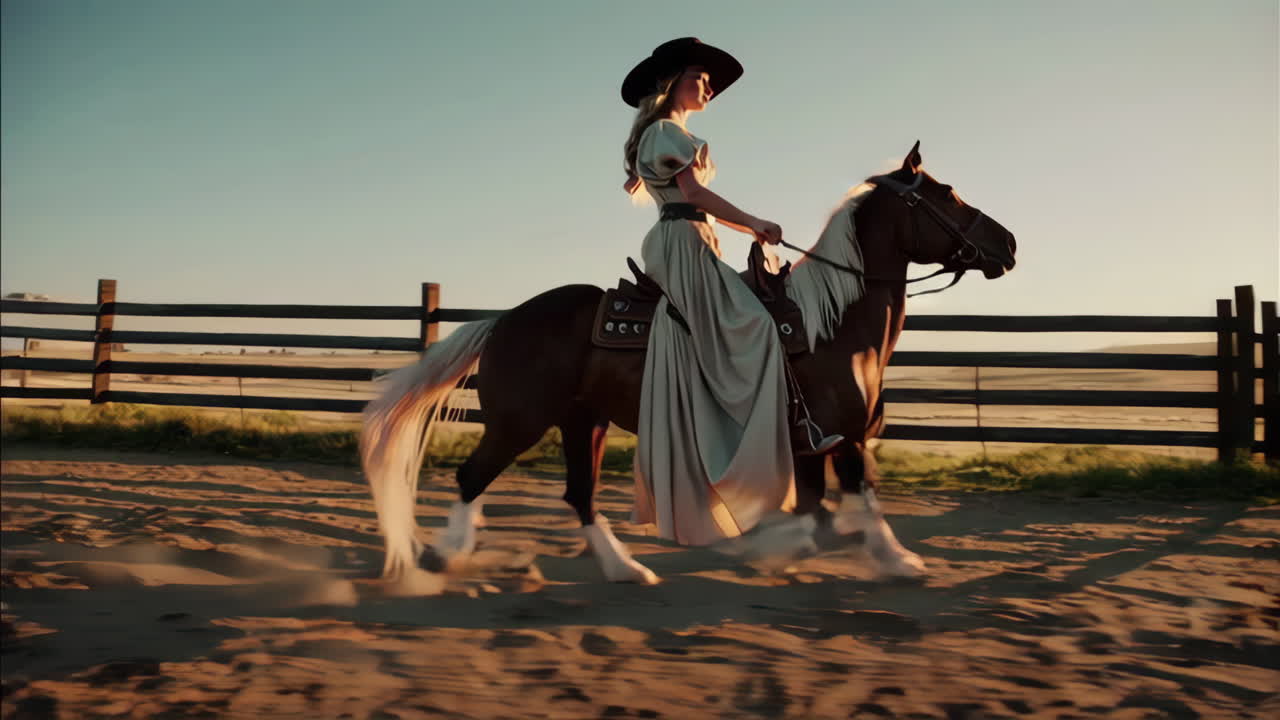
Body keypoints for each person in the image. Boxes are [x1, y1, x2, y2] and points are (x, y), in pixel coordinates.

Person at [621, 38, 843, 546]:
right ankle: (784, 434)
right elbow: (694, 196)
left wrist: (750, 231)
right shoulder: (664, 131)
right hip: (682, 242)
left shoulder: (671, 134)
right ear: (671, 81)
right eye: (699, 75)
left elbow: (697, 202)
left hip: (692, 237)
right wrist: (756, 221)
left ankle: (770, 433)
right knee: (757, 326)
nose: (709, 85)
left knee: (755, 309)